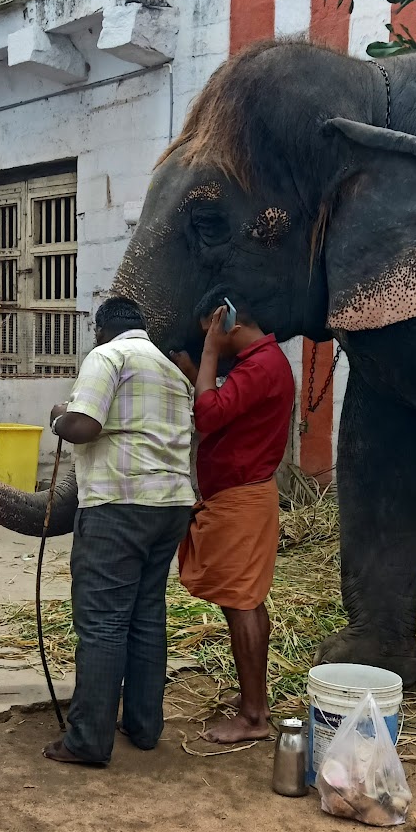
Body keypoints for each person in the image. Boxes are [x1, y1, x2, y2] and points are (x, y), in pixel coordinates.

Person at [45, 297, 196, 767]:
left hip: (119, 504)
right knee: (147, 615)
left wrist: (58, 418)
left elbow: (85, 425)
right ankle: (144, 726)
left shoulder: (107, 356)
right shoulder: (173, 370)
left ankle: (88, 739)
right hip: (171, 504)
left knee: (104, 621)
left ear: (99, 329)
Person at [172, 289, 295, 744]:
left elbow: (207, 416)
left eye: (212, 332)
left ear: (228, 323)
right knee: (244, 600)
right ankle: (253, 705)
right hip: (241, 496)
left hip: (242, 499)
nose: (213, 344)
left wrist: (207, 354)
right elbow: (227, 410)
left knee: (241, 602)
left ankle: (254, 717)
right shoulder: (261, 365)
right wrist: (197, 371)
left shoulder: (261, 365)